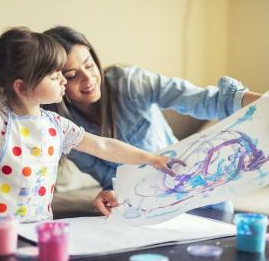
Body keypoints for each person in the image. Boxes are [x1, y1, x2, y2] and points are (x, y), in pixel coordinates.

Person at [43, 26, 262, 217]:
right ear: (56, 80)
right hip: (141, 205)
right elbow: (110, 179)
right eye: (72, 75)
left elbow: (207, 100)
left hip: (195, 189)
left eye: (89, 65)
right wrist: (114, 194)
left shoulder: (129, 83)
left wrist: (263, 104)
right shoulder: (66, 129)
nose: (88, 79)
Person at [0, 27, 174, 223]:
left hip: (41, 227)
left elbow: (103, 146)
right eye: (54, 77)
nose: (62, 81)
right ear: (22, 87)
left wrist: (151, 158)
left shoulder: (56, 124)